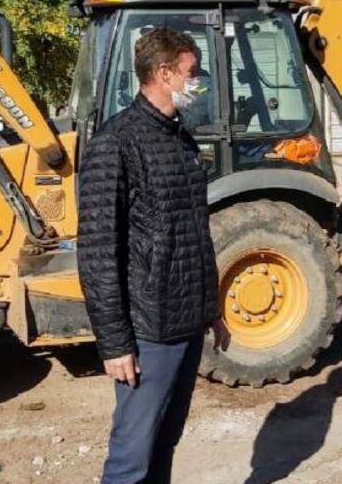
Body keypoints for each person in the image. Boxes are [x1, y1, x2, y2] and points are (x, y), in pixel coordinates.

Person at [77, 27, 219, 484]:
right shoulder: (117, 142)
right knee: (131, 458)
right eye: (191, 72)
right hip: (149, 331)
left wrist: (209, 307)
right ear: (163, 73)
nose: (198, 81)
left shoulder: (179, 138)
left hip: (186, 321)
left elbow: (195, 231)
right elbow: (98, 250)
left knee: (164, 443)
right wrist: (115, 342)